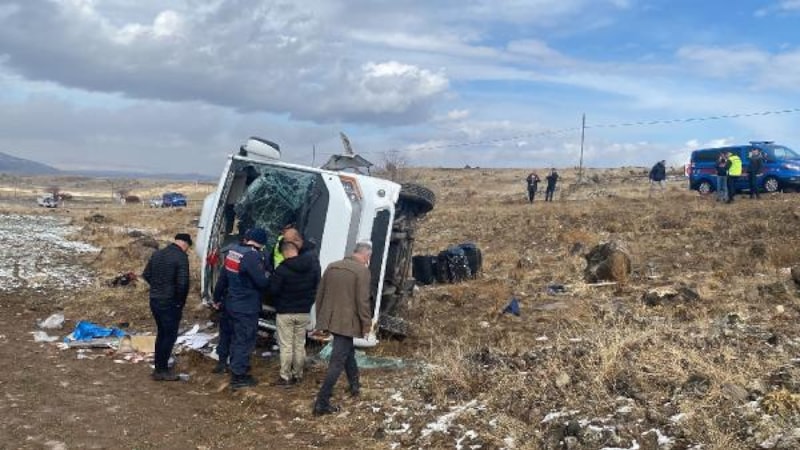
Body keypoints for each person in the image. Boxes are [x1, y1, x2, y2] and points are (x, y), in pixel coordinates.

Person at [313, 242, 373, 416]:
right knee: (337, 362)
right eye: (368, 258)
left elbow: (320, 294)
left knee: (347, 352)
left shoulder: (333, 266)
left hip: (330, 318)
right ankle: (321, 403)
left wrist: (321, 319)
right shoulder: (362, 271)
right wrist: (366, 324)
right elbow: (362, 301)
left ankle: (355, 385)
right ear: (365, 256)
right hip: (347, 322)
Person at [220, 228, 272, 389]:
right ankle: (238, 376)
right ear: (261, 242)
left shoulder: (233, 251)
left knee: (236, 337)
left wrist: (217, 297)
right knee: (244, 339)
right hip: (246, 306)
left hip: (232, 302)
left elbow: (223, 277)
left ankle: (234, 365)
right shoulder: (252, 256)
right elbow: (262, 282)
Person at [270, 238, 321, 386]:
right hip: (303, 312)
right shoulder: (310, 267)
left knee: (286, 346)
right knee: (299, 344)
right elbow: (315, 288)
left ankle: (285, 376)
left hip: (285, 313)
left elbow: (273, 290)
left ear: (284, 252)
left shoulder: (282, 269)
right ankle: (298, 374)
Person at [142, 233, 192, 381]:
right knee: (169, 336)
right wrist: (179, 302)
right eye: (188, 248)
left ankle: (159, 367)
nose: (187, 251)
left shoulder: (158, 254)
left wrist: (157, 287)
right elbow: (183, 284)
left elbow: (146, 274)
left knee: (162, 333)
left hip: (155, 300)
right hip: (170, 302)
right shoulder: (181, 257)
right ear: (185, 244)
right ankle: (161, 370)